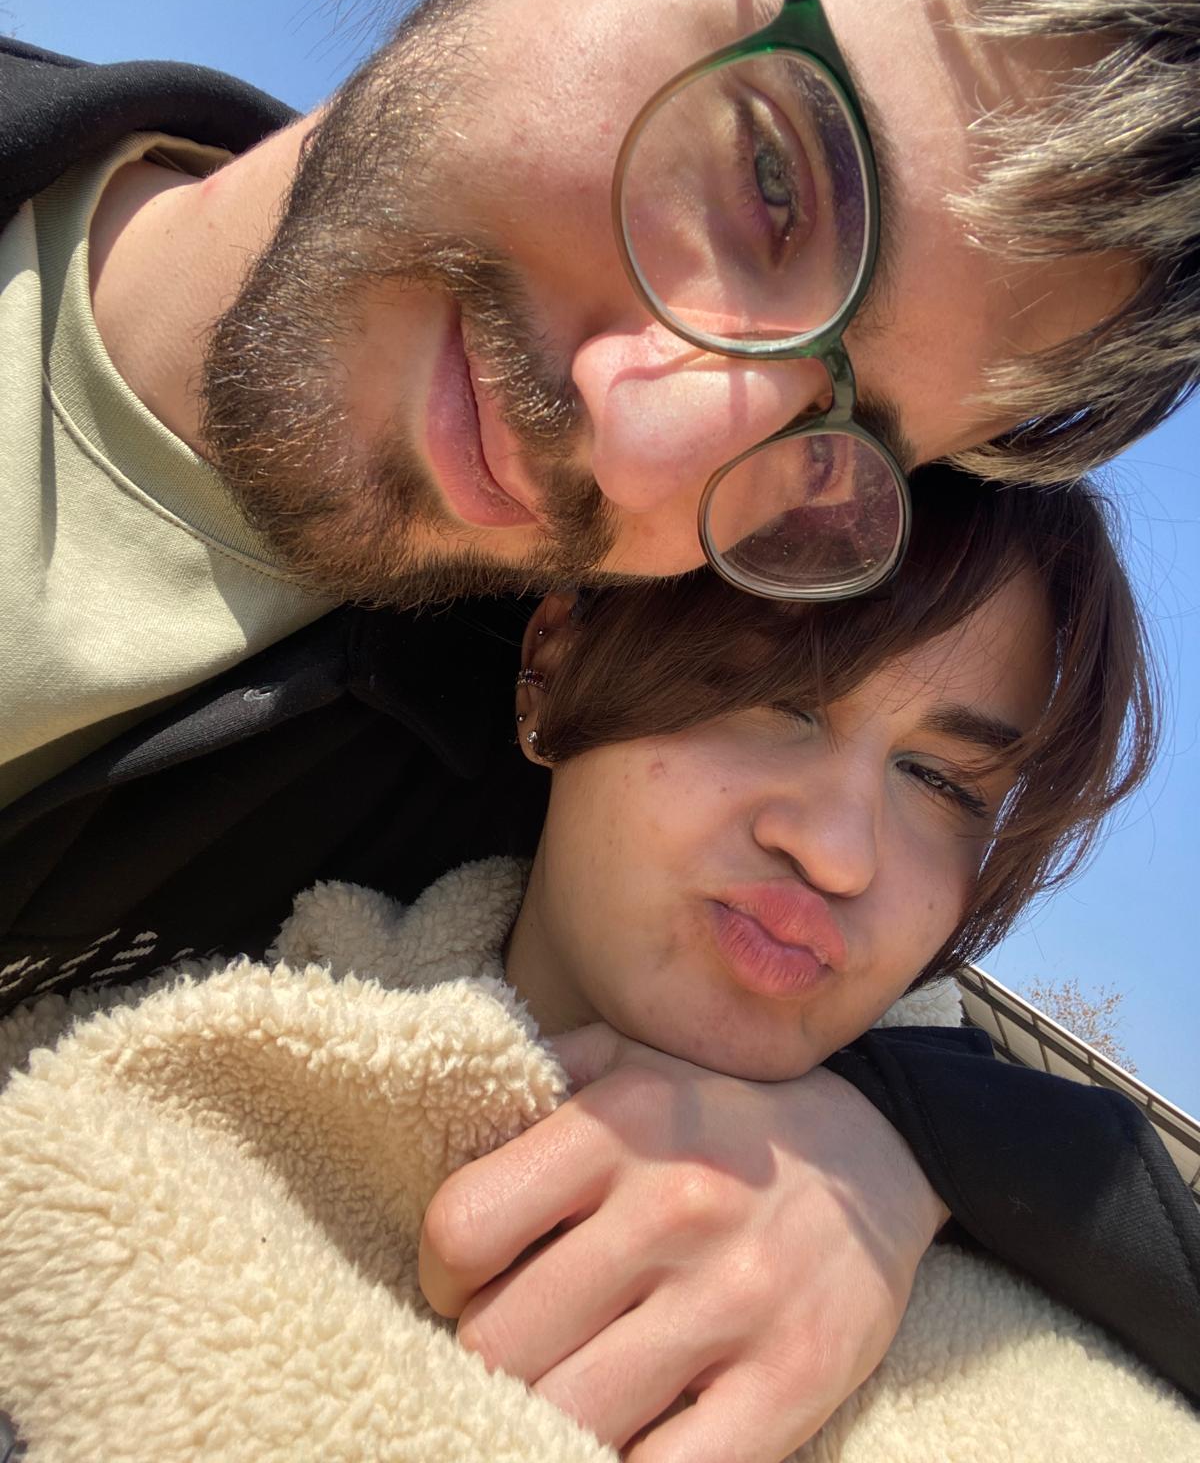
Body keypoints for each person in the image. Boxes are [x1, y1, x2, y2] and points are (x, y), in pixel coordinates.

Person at [0, 0, 1197, 1452]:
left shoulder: (501, 763)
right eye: (775, 182)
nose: (654, 448)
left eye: (836, 435)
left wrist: (892, 1144)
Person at [1, 467, 1193, 1463]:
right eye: (777, 694)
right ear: (558, 653)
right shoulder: (159, 991)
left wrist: (914, 1146)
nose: (838, 850)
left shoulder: (1034, 1360)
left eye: (943, 783)